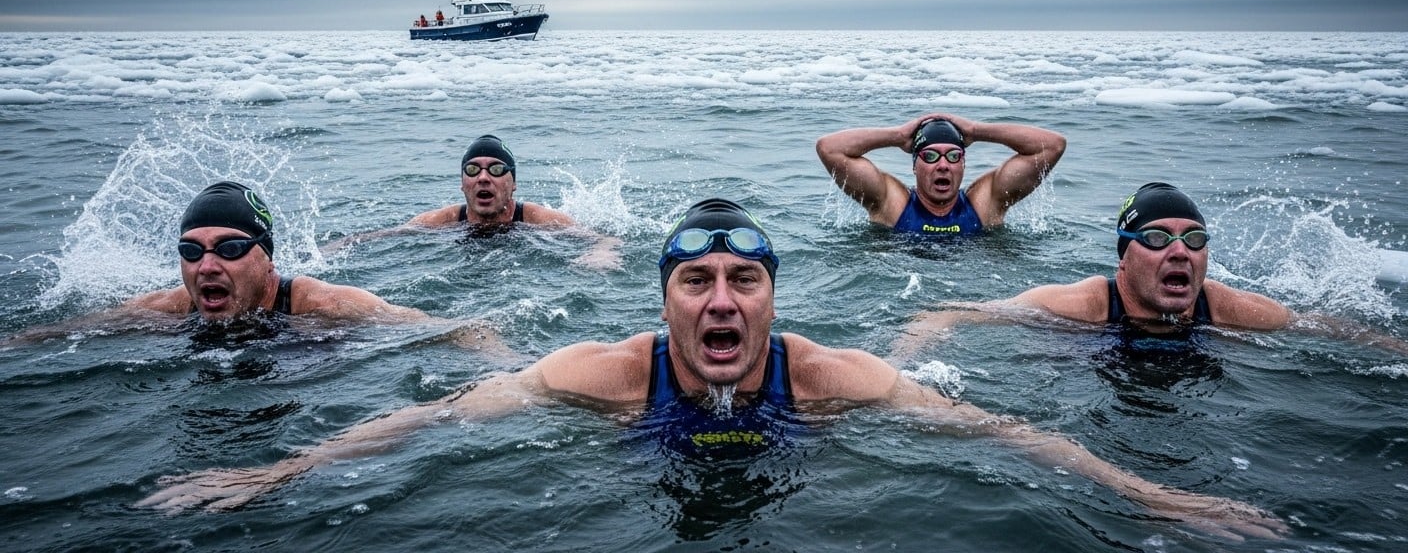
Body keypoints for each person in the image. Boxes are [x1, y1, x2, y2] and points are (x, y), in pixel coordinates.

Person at [140, 198, 1285, 541]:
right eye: (698, 283)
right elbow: (435, 417)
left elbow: (1009, 439)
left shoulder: (829, 377)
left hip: (798, 482)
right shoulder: (604, 372)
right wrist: (272, 477)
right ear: (665, 300)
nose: (723, 300)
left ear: (775, 301)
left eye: (745, 281)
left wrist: (1157, 497)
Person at [893, 182, 1408, 358]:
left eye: (1194, 239)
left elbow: (1323, 327)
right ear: (1124, 256)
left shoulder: (1228, 308)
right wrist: (909, 359)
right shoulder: (1083, 305)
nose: (1180, 252)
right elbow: (948, 314)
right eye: (1158, 239)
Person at [4, 181, 505, 352]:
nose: (207, 266)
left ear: (268, 260)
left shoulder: (321, 303)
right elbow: (66, 332)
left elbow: (452, 330)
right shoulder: (166, 308)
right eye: (192, 251)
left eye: (228, 248)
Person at [322, 134, 621, 269]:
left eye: (496, 169)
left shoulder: (538, 220)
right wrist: (338, 246)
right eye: (472, 169)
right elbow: (386, 236)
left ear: (513, 184)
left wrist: (601, 254)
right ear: (462, 184)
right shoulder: (441, 222)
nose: (483, 177)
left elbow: (603, 240)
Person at [816, 112, 1065, 235]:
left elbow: (1052, 145)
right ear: (914, 165)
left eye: (954, 156)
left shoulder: (985, 202)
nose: (943, 165)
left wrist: (976, 130)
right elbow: (829, 148)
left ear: (963, 164)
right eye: (931, 156)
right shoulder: (891, 203)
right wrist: (897, 136)